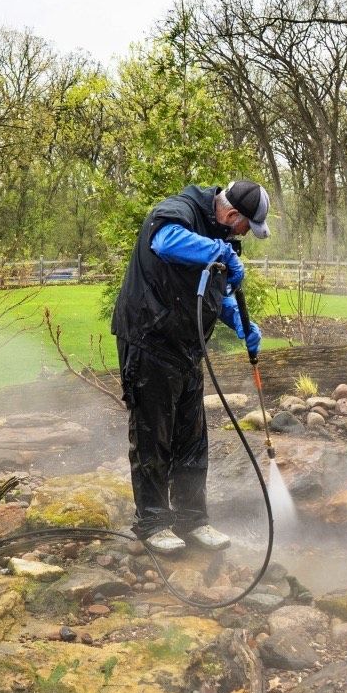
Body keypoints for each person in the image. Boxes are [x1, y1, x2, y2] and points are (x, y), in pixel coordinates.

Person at [111, 179, 270, 554]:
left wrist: (237, 318)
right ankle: (153, 523)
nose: (242, 236)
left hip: (185, 346)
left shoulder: (220, 234)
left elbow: (212, 289)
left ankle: (192, 520)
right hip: (148, 340)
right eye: (245, 226)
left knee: (192, 438)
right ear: (232, 214)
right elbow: (164, 242)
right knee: (153, 437)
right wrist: (221, 253)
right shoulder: (180, 210)